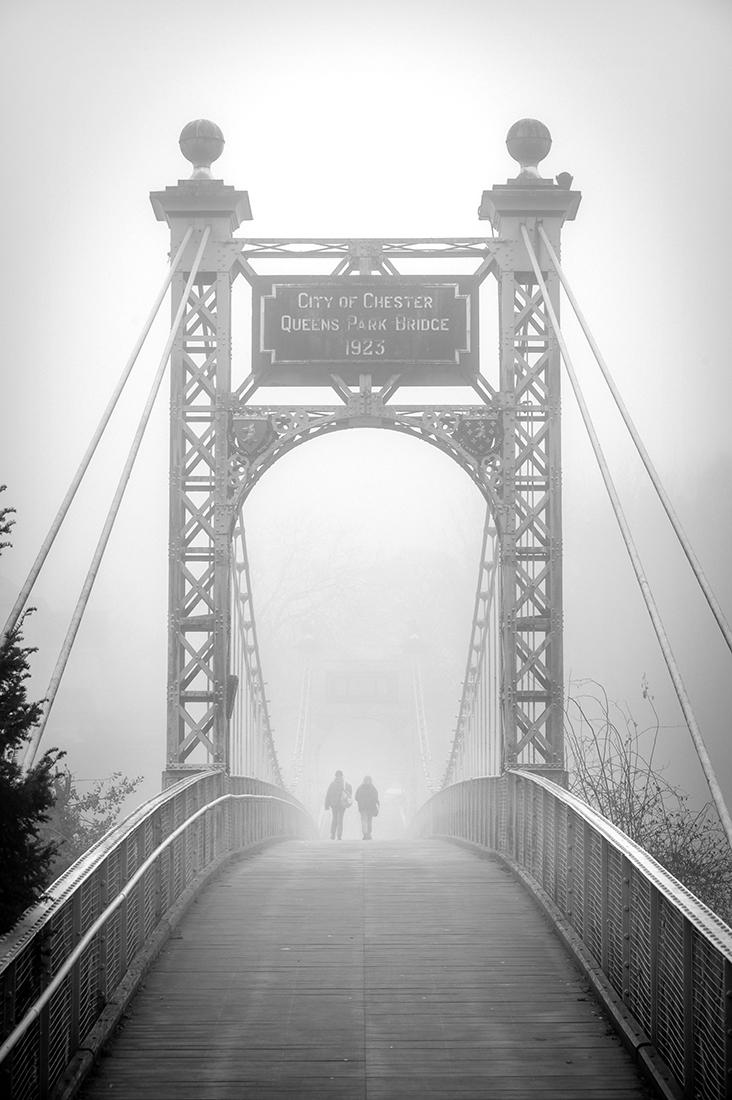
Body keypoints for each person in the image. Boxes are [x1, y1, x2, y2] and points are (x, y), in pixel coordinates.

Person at [324, 769, 352, 840]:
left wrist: (327, 805)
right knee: (340, 819)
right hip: (342, 804)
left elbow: (328, 795)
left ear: (335, 776)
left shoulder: (332, 784)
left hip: (334, 804)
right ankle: (339, 835)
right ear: (342, 776)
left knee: (334, 818)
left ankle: (332, 834)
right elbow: (349, 792)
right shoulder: (345, 784)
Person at [355, 775, 379, 840]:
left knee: (364, 820)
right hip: (370, 807)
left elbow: (356, 797)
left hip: (362, 807)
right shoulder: (373, 788)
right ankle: (369, 833)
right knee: (369, 820)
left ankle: (365, 834)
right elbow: (376, 797)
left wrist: (362, 800)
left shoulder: (360, 788)